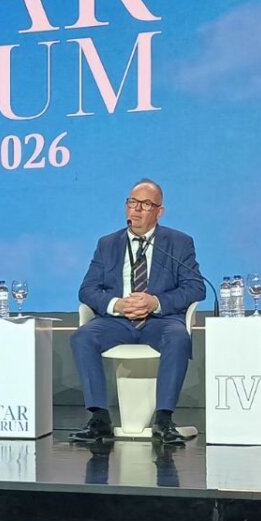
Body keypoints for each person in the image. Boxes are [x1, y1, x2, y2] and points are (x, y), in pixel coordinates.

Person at [69, 179, 205, 447]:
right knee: (82, 337)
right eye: (132, 202)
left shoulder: (178, 243)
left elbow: (195, 287)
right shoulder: (108, 244)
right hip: (117, 322)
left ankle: (164, 421)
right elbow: (87, 290)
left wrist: (156, 302)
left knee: (178, 337)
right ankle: (99, 419)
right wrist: (116, 304)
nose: (137, 209)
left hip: (159, 320)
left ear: (159, 211)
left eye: (146, 204)